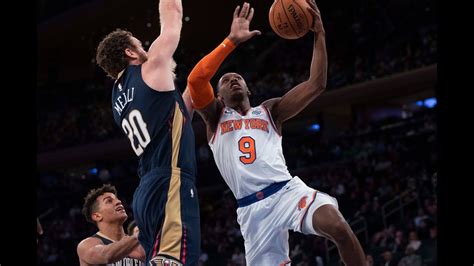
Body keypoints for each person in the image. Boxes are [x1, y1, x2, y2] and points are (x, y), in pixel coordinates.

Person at [187, 1, 366, 265]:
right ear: (220, 97)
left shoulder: (271, 111)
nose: (233, 79)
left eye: (238, 77)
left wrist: (320, 34)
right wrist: (231, 41)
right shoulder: (215, 117)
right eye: (225, 80)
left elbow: (317, 84)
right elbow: (195, 81)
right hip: (252, 211)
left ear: (248, 89)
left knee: (338, 226)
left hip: (287, 192)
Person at [95, 0, 200, 264]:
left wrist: (199, 84)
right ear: (131, 53)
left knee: (165, 258)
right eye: (140, 45)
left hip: (147, 191)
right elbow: (173, 15)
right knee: (174, 260)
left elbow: (176, 116)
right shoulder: (150, 68)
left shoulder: (117, 100)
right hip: (170, 180)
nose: (145, 48)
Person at [77, 184, 146, 265]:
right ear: (97, 216)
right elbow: (106, 256)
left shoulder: (137, 244)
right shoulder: (86, 245)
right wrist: (143, 230)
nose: (118, 202)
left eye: (117, 199)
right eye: (109, 201)